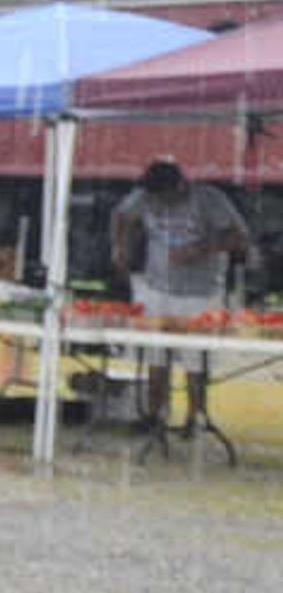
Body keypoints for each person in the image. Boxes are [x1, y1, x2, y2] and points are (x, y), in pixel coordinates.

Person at [106, 155, 261, 434]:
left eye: (162, 196)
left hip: (200, 292)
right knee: (155, 354)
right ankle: (155, 415)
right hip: (156, 287)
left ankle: (196, 416)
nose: (156, 203)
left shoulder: (209, 199)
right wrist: (119, 248)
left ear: (179, 186)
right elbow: (122, 215)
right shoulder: (144, 197)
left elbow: (240, 236)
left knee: (194, 358)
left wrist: (202, 248)